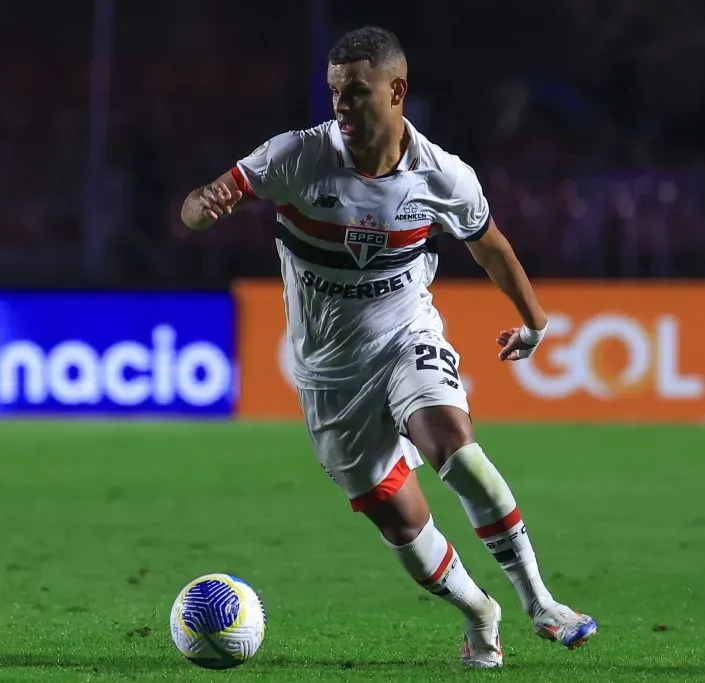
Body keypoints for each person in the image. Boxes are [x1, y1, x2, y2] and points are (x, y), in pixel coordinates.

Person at [179, 25, 597, 668]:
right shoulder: (296, 157)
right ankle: (478, 611)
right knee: (401, 522)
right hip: (327, 376)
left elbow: (489, 245)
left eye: (356, 91)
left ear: (397, 89)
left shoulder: (442, 175)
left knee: (454, 446)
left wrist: (535, 323)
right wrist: (205, 204)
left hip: (407, 339)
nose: (341, 105)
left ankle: (540, 601)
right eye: (334, 92)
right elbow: (201, 201)